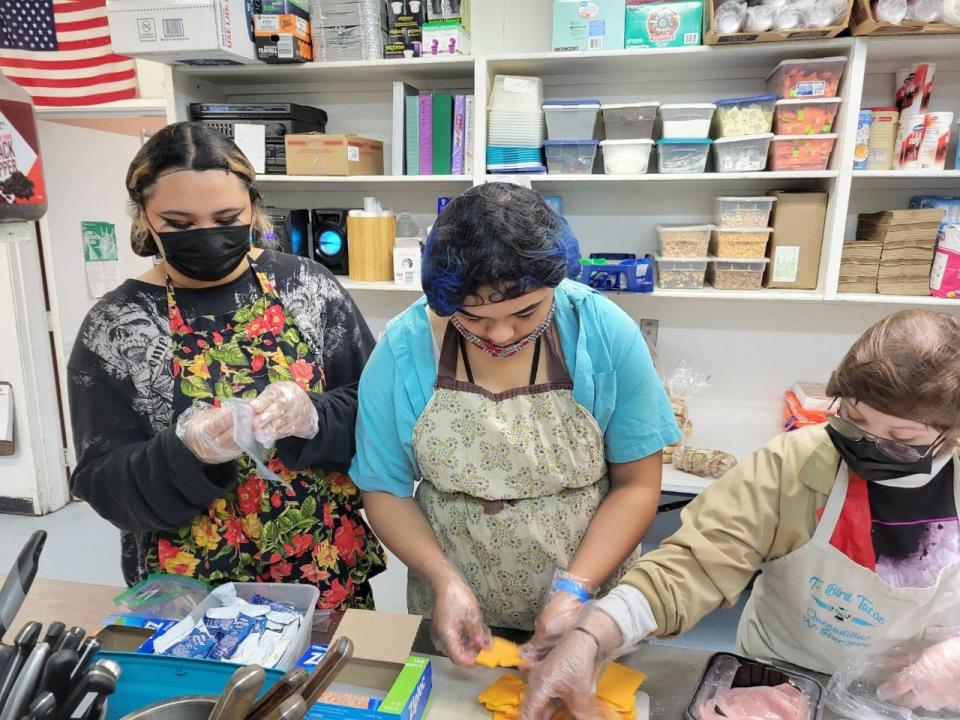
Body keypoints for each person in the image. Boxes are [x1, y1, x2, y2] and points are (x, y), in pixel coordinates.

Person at [523, 309, 960, 719]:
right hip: (778, 683)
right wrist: (594, 631)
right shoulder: (795, 464)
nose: (867, 445)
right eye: (852, 419)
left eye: (901, 439)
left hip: (916, 700)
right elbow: (696, 563)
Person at [349, 183, 681, 665]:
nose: (501, 334)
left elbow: (636, 484)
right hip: (454, 600)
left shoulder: (604, 333)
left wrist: (576, 588)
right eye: (474, 317)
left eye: (526, 312)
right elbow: (384, 488)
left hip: (587, 596)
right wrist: (443, 578)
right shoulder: (404, 349)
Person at [68, 122, 385, 608]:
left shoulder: (309, 289)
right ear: (144, 219)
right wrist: (184, 451)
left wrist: (314, 415)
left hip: (318, 569)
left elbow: (378, 412)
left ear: (253, 207)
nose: (206, 236)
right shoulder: (118, 326)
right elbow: (103, 481)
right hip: (193, 592)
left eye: (226, 216)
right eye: (178, 224)